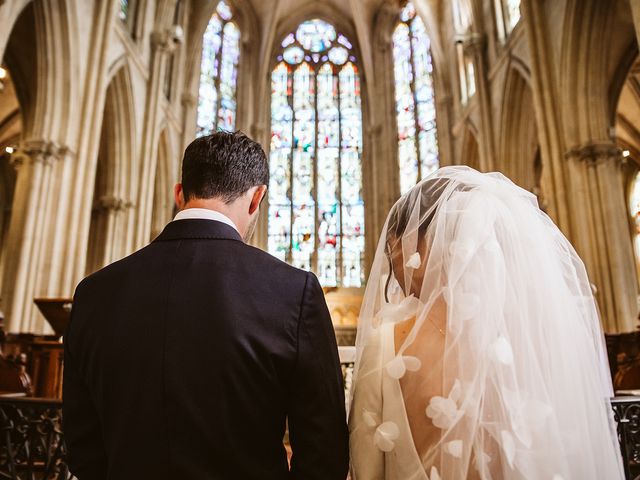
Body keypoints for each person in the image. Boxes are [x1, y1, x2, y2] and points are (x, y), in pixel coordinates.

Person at [63, 131, 349, 480]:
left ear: (179, 193)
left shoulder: (94, 292)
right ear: (257, 198)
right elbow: (325, 450)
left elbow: (81, 446)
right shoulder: (293, 290)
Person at [349, 166, 624, 479]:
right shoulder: (530, 340)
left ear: (418, 246)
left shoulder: (386, 342)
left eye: (393, 248)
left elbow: (365, 465)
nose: (393, 263)